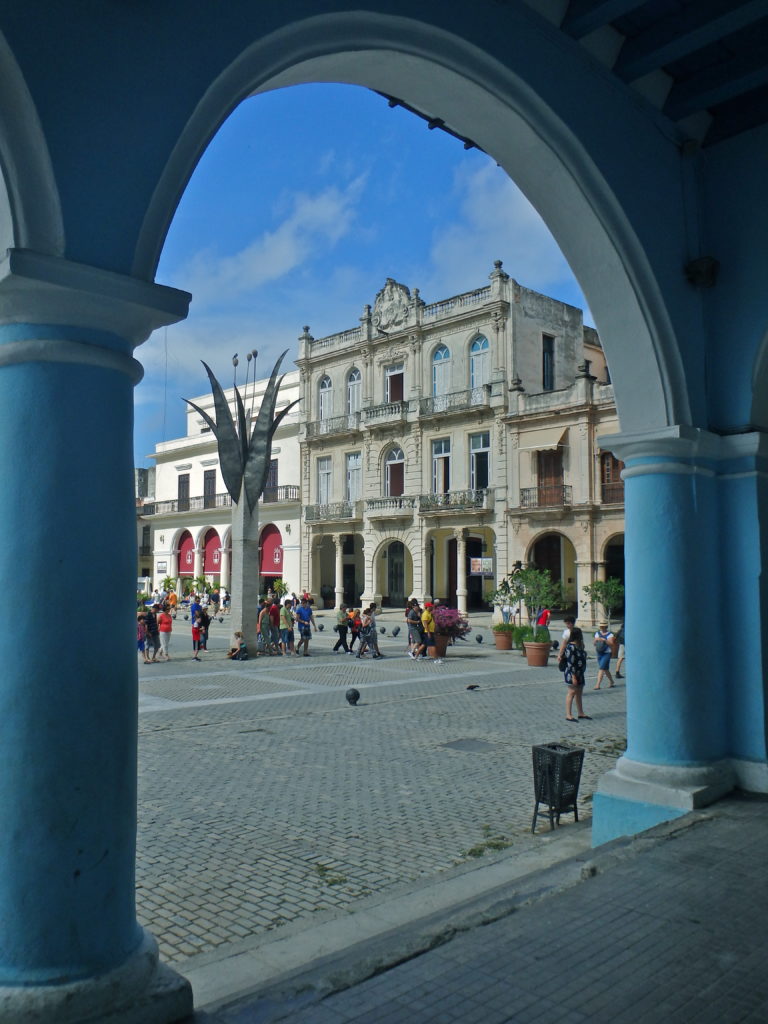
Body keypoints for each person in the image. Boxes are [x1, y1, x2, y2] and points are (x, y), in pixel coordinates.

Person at [563, 627, 590, 721]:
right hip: (572, 673)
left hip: (580, 672)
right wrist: (574, 676)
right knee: (571, 692)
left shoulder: (580, 645)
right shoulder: (570, 647)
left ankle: (580, 713)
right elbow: (570, 662)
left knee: (579, 692)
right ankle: (568, 714)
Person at [593, 622, 616, 689]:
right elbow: (594, 643)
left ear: (606, 627)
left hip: (607, 653)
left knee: (601, 668)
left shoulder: (610, 634)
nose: (601, 627)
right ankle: (611, 681)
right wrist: (596, 640)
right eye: (601, 626)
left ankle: (598, 684)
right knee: (605, 669)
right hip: (599, 652)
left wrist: (604, 640)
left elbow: (611, 644)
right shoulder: (597, 633)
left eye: (603, 626)